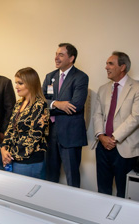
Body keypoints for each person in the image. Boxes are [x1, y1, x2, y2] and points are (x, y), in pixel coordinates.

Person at [93, 51, 139, 198]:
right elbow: (97, 114)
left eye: (110, 63)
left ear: (122, 67)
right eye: (107, 63)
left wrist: (113, 138)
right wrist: (101, 136)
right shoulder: (103, 89)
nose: (106, 67)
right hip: (102, 146)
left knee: (123, 192)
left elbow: (136, 117)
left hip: (124, 148)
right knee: (103, 190)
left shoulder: (137, 88)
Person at [42, 43, 89, 187]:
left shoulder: (80, 77)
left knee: (72, 176)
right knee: (50, 174)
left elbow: (75, 105)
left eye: (61, 55)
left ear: (71, 58)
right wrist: (57, 104)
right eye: (56, 54)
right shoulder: (50, 76)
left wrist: (52, 104)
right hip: (50, 132)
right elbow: (41, 102)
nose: (56, 58)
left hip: (70, 134)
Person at [0, 67, 49, 179]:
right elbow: (10, 129)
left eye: (20, 83)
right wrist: (3, 149)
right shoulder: (19, 103)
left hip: (29, 161)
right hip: (13, 158)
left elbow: (34, 137)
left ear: (31, 84)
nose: (16, 87)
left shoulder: (39, 105)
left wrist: (10, 155)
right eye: (16, 83)